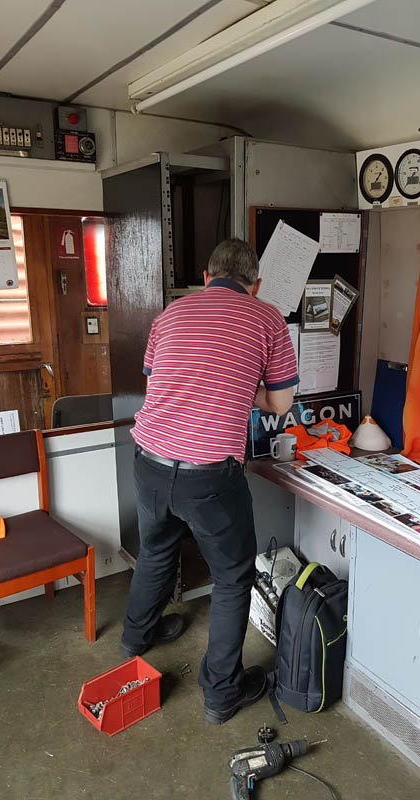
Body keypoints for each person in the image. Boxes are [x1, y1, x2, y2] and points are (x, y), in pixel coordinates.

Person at [120, 238, 298, 724]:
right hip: (209, 475)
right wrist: (245, 387)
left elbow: (158, 383)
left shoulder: (169, 315)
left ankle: (136, 637)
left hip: (149, 460)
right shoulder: (267, 318)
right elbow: (280, 403)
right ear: (255, 284)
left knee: (156, 550)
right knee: (233, 577)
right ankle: (221, 694)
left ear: (206, 276)